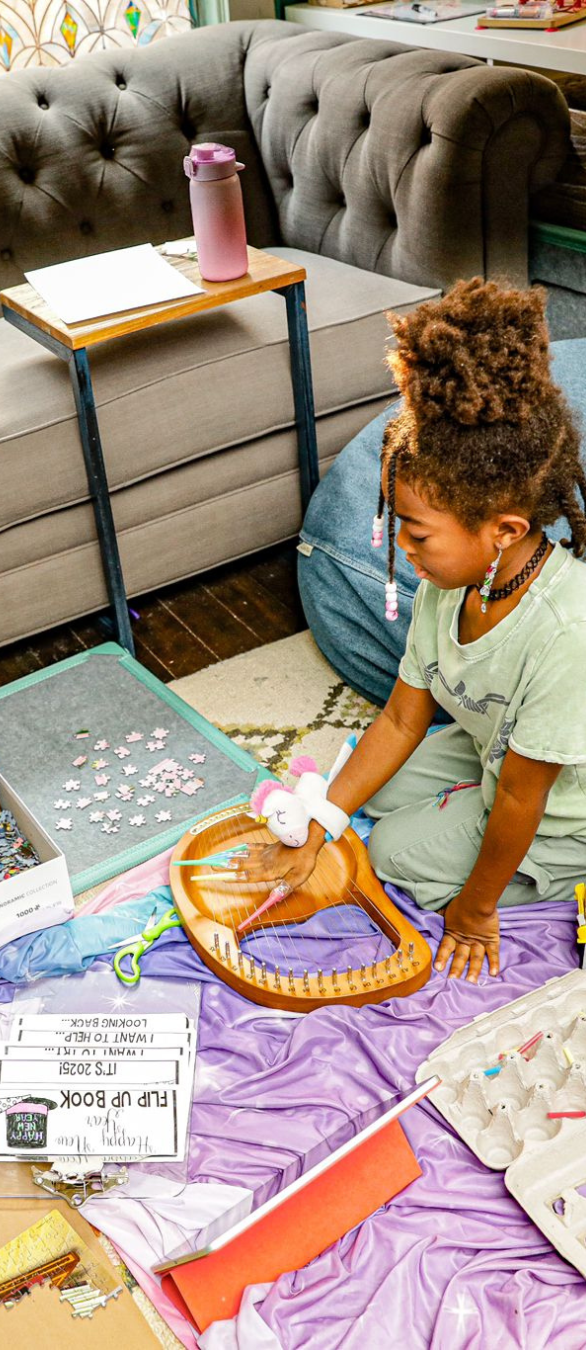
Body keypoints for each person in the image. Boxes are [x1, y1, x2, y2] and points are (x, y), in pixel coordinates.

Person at [251, 279, 586, 985]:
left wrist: (475, 909)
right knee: (357, 792)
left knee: (395, 852)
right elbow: (404, 717)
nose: (400, 548)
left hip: (563, 804)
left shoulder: (566, 631)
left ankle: (556, 867)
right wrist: (321, 828)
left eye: (417, 533)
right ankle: (456, 808)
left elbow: (522, 796)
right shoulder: (450, 582)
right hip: (497, 750)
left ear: (504, 531)